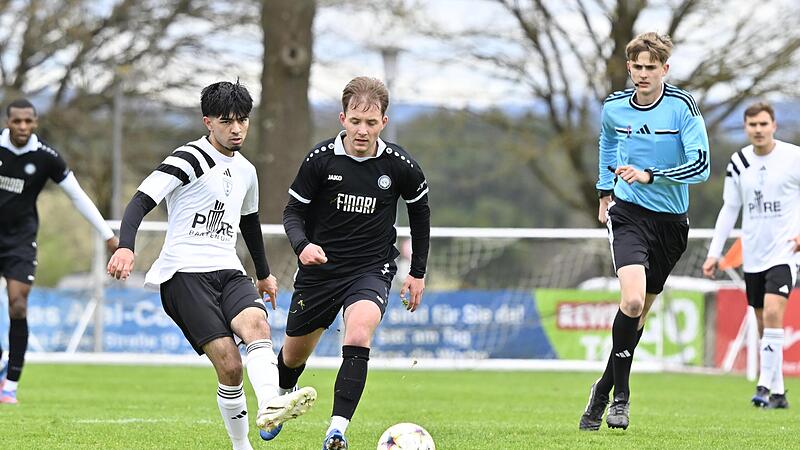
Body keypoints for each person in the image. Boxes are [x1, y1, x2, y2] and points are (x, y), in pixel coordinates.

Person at [106, 81, 316, 450]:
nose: (236, 129)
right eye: (226, 121)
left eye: (243, 121)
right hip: (183, 274)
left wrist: (264, 274)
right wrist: (126, 248)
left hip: (228, 268)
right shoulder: (188, 158)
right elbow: (140, 201)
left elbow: (248, 222)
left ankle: (270, 403)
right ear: (208, 122)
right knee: (230, 366)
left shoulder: (248, 171)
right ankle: (241, 445)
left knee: (257, 324)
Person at [271, 76, 430, 449]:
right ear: (342, 118)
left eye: (371, 123)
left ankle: (336, 430)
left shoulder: (400, 165)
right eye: (355, 122)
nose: (362, 131)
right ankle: (281, 395)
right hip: (319, 272)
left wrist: (417, 272)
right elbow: (292, 212)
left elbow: (421, 216)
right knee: (293, 355)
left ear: (384, 123)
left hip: (371, 269)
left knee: (358, 333)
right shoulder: (320, 160)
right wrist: (302, 245)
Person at [579, 32, 710, 431]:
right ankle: (621, 397)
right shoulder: (615, 107)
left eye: (650, 67)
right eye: (636, 67)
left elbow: (701, 166)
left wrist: (651, 175)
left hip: (671, 224)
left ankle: (600, 391)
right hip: (628, 212)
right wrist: (605, 191)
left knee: (638, 316)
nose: (642, 74)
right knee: (632, 302)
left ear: (664, 70)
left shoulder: (683, 107)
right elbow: (606, 145)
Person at [0, 99, 118, 405]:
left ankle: (10, 383)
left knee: (18, 305)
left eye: (29, 121)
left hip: (21, 241)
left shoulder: (46, 157)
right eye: (17, 122)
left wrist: (107, 235)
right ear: (7, 122)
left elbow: (77, 196)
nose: (23, 127)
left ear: (35, 122)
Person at [702, 102, 800, 409]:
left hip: (785, 251)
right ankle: (779, 392)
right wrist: (714, 252)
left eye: (763, 124)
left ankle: (762, 386)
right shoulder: (739, 162)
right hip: (753, 253)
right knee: (762, 322)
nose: (758, 130)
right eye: (752, 125)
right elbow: (730, 208)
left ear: (774, 126)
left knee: (773, 312)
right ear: (746, 128)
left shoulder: (793, 157)